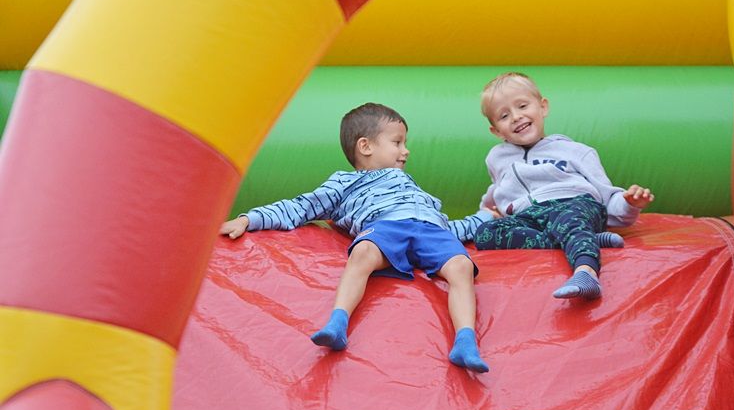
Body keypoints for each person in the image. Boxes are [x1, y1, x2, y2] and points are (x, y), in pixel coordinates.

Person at [220, 103, 496, 372]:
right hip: (386, 227)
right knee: (363, 251)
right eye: (397, 142)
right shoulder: (345, 182)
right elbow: (300, 207)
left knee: (461, 266)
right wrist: (248, 219)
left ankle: (465, 341)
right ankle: (338, 322)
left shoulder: (413, 188)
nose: (406, 150)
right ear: (365, 146)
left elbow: (451, 228)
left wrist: (485, 217)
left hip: (432, 230)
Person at [474, 72, 654, 300]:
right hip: (530, 216)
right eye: (504, 115)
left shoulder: (575, 151)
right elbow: (498, 188)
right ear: (496, 131)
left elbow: (607, 197)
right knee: (486, 233)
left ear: (543, 107)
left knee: (568, 220)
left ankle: (586, 273)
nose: (516, 117)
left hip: (574, 204)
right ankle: (584, 238)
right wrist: (485, 211)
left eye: (522, 106)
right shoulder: (496, 158)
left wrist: (629, 203)